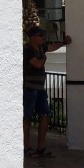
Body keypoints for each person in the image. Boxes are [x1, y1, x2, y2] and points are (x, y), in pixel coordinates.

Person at [23, 25, 72, 158]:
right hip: (29, 88)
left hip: (40, 89)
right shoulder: (27, 50)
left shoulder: (40, 48)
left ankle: (41, 147)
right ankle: (26, 147)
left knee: (45, 115)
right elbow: (37, 64)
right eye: (41, 36)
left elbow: (52, 47)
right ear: (33, 37)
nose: (43, 39)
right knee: (26, 118)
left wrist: (63, 42)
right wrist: (44, 58)